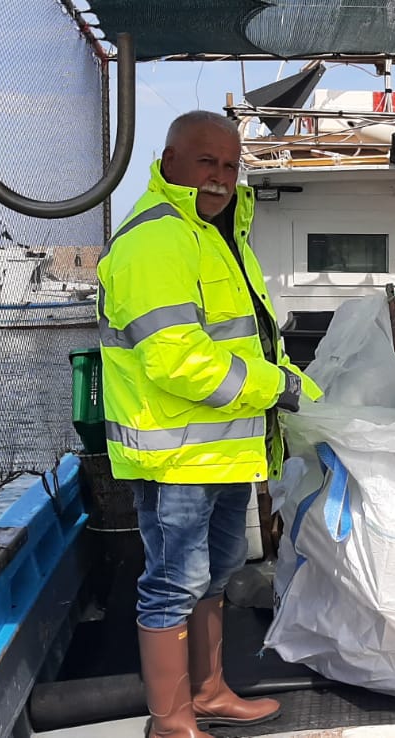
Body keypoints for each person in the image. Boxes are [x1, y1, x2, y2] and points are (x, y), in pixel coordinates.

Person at [98, 110, 321, 738]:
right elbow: (175, 358)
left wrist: (306, 391)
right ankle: (170, 721)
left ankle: (210, 691)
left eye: (230, 165)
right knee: (173, 583)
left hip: (221, 450)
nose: (221, 178)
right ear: (169, 161)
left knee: (216, 572)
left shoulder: (218, 236)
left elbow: (251, 343)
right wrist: (277, 388)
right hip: (174, 457)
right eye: (206, 162)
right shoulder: (155, 240)